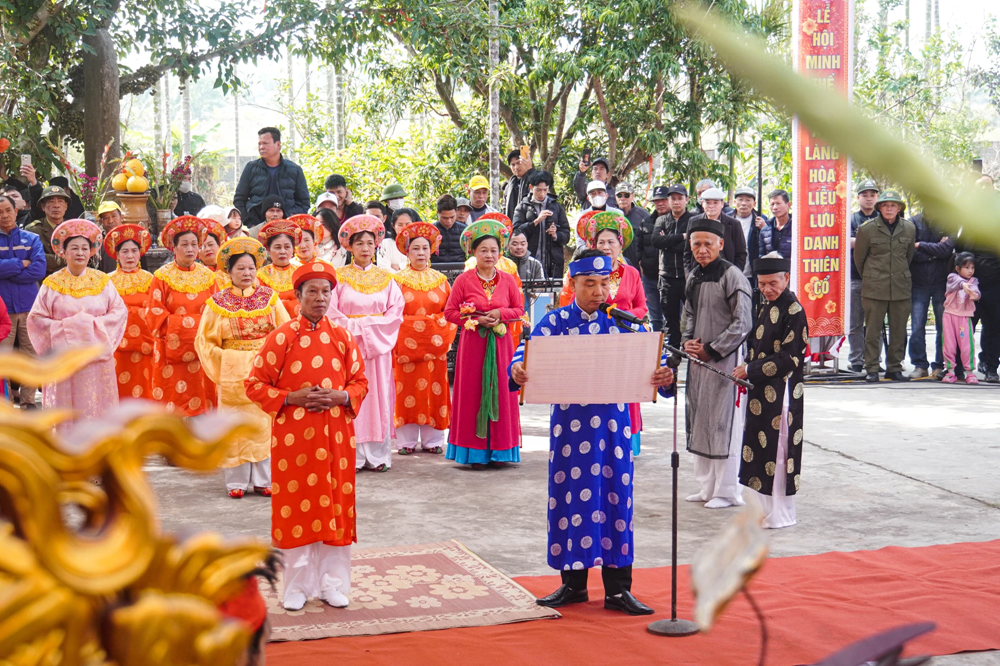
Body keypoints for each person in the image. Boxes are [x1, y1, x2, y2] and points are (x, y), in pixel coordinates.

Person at [509, 250, 675, 615]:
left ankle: (619, 589)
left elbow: (658, 361)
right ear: (572, 284)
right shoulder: (554, 322)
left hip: (614, 432)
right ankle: (574, 585)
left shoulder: (625, 323)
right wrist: (517, 370)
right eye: (590, 284)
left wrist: (666, 376)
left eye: (604, 283)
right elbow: (522, 355)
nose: (599, 291)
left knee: (616, 499)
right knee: (571, 500)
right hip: (569, 433)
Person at [244, 261, 369, 611]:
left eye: (325, 291)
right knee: (297, 511)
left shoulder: (343, 337)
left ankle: (332, 584)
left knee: (335, 509)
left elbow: (360, 382)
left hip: (337, 440)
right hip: (294, 440)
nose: (319, 297)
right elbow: (253, 384)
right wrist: (290, 397)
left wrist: (342, 397)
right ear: (297, 296)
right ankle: (295, 587)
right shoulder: (281, 336)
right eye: (311, 291)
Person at [196, 237, 291, 497]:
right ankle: (236, 482)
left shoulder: (271, 299)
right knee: (234, 426)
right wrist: (228, 362)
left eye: (251, 267)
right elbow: (204, 342)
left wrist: (273, 364)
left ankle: (264, 479)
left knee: (264, 424)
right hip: (231, 373)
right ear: (228, 271)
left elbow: (285, 335)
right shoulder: (217, 303)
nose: (247, 273)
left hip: (265, 371)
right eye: (240, 268)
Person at [680, 217, 753, 509]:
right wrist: (688, 342)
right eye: (696, 243)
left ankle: (727, 491)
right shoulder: (693, 276)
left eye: (707, 243)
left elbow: (743, 322)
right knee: (701, 420)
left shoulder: (733, 275)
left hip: (726, 361)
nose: (701, 249)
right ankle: (707, 487)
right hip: (699, 360)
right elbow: (688, 316)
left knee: (725, 426)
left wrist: (713, 349)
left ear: (720, 244)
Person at [26, 219, 127, 429]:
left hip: (96, 358)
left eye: (84, 248)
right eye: (74, 248)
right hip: (64, 359)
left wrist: (90, 326)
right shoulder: (52, 283)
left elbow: (119, 312)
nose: (80, 253)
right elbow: (36, 320)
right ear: (63, 251)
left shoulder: (103, 281)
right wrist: (69, 328)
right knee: (65, 407)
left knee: (97, 402)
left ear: (92, 252)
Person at [734, 253, 808, 529]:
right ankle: (766, 510)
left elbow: (790, 358)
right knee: (761, 449)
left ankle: (783, 513)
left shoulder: (794, 310)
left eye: (773, 283)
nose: (767, 289)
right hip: (760, 390)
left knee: (779, 452)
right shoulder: (765, 304)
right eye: (762, 284)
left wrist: (750, 370)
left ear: (786, 278)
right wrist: (745, 368)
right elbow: (756, 346)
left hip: (783, 394)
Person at [443, 218, 524, 468]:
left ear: (501, 252)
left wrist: (500, 315)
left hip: (501, 346)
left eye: (494, 250)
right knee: (472, 393)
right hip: (473, 347)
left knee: (502, 390)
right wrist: (475, 319)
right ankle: (474, 452)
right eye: (483, 250)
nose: (489, 255)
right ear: (473, 253)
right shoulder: (463, 280)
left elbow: (519, 309)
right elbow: (449, 312)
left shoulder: (509, 280)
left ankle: (500, 450)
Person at [327, 214, 405, 472]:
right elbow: (331, 313)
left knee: (377, 395)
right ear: (349, 246)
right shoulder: (337, 278)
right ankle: (352, 455)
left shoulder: (387, 279)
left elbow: (395, 314)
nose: (364, 248)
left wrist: (366, 328)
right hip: (347, 348)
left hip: (378, 351)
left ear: (376, 246)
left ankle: (378, 456)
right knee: (350, 397)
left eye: (369, 243)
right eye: (358, 243)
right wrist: (356, 330)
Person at [577, 211, 648, 456]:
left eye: (611, 242)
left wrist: (624, 317)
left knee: (626, 389)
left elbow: (642, 306)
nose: (606, 247)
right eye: (601, 243)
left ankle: (626, 441)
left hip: (626, 339)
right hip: (594, 340)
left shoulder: (632, 273)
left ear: (620, 245)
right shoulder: (585, 273)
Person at [391, 222, 458, 455]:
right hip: (405, 349)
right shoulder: (396, 281)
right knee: (405, 389)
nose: (421, 253)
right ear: (407, 252)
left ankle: (434, 440)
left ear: (431, 251)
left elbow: (449, 313)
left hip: (435, 348)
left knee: (435, 388)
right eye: (415, 248)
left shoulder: (441, 280)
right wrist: (419, 328)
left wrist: (429, 330)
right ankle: (406, 442)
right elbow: (392, 316)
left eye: (425, 248)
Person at [146, 216, 219, 415]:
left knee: (203, 398)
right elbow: (154, 314)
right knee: (173, 403)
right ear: (174, 247)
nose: (190, 249)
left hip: (203, 349)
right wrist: (190, 327)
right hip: (170, 349)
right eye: (184, 244)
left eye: (194, 244)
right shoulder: (162, 276)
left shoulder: (209, 276)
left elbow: (218, 312)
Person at [854, 189, 916, 383]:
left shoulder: (909, 229)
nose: (889, 208)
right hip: (874, 287)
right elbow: (859, 260)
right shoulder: (867, 229)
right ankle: (872, 368)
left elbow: (908, 257)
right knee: (872, 330)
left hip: (900, 285)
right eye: (885, 205)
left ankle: (894, 368)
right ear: (879, 208)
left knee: (898, 330)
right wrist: (873, 275)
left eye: (893, 205)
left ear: (899, 208)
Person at [0, 194, 45, 408]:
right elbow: (29, 266)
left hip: (29, 307)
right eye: (0, 212)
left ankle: (28, 403)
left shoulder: (31, 238)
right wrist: (21, 263)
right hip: (2, 311)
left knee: (31, 355)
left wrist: (6, 269)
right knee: (3, 360)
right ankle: (5, 405)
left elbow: (38, 269)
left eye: (8, 210)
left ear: (16, 211)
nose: (5, 215)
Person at [105, 224, 156, 400]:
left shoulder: (150, 279)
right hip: (116, 345)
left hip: (145, 344)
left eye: (134, 250)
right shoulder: (107, 281)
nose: (130, 256)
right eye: (124, 251)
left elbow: (156, 311)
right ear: (117, 255)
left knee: (144, 385)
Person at [907, 212, 954, 379]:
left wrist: (921, 245)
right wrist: (935, 252)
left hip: (941, 282)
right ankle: (920, 365)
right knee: (917, 326)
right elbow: (910, 250)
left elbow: (947, 250)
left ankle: (940, 365)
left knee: (944, 326)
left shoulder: (949, 222)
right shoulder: (913, 222)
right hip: (918, 283)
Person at [234, 127, 309, 229]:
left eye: (265, 143)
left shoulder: (294, 170)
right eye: (259, 144)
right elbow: (239, 199)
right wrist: (250, 223)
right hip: (258, 225)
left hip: (287, 227)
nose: (261, 147)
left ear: (278, 145)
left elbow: (303, 202)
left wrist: (291, 220)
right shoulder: (251, 168)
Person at [652, 184, 695, 348]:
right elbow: (656, 241)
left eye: (679, 198)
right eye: (673, 199)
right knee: (670, 319)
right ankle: (674, 354)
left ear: (686, 200)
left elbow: (690, 246)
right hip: (667, 275)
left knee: (693, 316)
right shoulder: (661, 219)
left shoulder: (693, 219)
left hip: (687, 276)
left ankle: (692, 350)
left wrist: (668, 242)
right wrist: (681, 237)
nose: (676, 202)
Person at [511, 170, 570, 278]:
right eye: (538, 190)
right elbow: (516, 231)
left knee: (551, 293)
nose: (542, 194)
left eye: (545, 190)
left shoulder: (556, 207)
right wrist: (535, 222)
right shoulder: (523, 207)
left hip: (553, 262)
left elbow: (566, 234)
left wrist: (555, 235)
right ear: (531, 187)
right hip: (528, 262)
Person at [848, 180, 880, 372]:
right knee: (855, 322)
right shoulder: (851, 220)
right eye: (865, 195)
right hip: (855, 276)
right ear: (858, 197)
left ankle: (874, 361)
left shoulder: (883, 218)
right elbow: (848, 242)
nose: (869, 199)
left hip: (878, 278)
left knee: (876, 322)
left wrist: (861, 240)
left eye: (872, 195)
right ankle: (857, 360)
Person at [683, 187, 748, 275]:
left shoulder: (733, 224)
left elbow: (741, 254)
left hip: (725, 274)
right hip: (699, 274)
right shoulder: (694, 221)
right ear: (702, 204)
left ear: (722, 204)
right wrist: (690, 275)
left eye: (715, 202)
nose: (711, 206)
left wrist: (734, 275)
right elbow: (687, 252)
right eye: (708, 202)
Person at [941, 253, 981, 384]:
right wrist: (964, 285)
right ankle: (950, 372)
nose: (970, 271)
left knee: (966, 346)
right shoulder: (952, 277)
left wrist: (975, 295)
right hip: (949, 316)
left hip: (964, 318)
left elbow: (975, 290)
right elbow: (957, 283)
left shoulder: (973, 281)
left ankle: (969, 373)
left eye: (972, 268)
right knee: (949, 345)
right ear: (957, 268)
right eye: (967, 267)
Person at [630, 186, 662, 332]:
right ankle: (657, 347)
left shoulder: (679, 221)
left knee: (675, 315)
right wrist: (641, 263)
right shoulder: (646, 221)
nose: (660, 203)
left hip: (673, 277)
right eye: (657, 201)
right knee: (655, 315)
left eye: (663, 200)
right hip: (649, 275)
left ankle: (673, 348)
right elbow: (639, 245)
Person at [26, 185, 73, 276]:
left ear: (66, 207)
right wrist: (69, 259)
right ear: (43, 207)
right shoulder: (33, 230)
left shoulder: (74, 229)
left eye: (60, 201)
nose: (56, 205)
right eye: (51, 202)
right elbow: (36, 258)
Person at [614, 182, 649, 268]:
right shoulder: (610, 215)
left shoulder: (643, 215)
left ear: (632, 196)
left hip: (637, 265)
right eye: (619, 195)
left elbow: (649, 243)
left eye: (626, 195)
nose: (622, 198)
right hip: (615, 265)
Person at [431, 195, 467, 263]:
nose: (449, 221)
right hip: (436, 270)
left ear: (456, 212)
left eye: (452, 217)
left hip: (460, 269)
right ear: (437, 213)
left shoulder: (464, 231)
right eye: (444, 218)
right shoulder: (430, 231)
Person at [503, 149, 536, 221]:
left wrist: (530, 169)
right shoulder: (509, 186)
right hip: (512, 226)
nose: (516, 167)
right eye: (513, 164)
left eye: (518, 163)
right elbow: (504, 208)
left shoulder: (534, 181)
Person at [758, 190, 793, 258]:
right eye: (772, 204)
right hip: (771, 267)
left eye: (778, 203)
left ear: (788, 205)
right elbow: (761, 255)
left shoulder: (797, 227)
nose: (775, 208)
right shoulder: (765, 230)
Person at [199, 214, 230, 290]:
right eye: (202, 247)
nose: (207, 249)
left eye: (211, 244)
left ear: (219, 245)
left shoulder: (231, 269)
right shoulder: (196, 274)